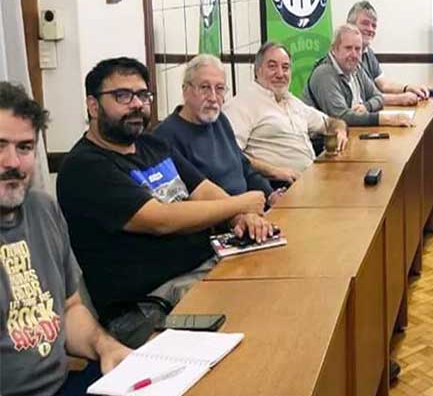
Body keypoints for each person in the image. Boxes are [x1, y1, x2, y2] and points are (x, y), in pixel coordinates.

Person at [57, 58, 273, 346]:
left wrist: (241, 218)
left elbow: (204, 190)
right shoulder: (85, 167)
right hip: (148, 305)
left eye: (142, 95)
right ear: (93, 106)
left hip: (206, 269)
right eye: (122, 96)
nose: (137, 104)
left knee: (280, 300)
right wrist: (241, 204)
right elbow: (160, 219)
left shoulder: (152, 144)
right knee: (255, 339)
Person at [0, 82, 132, 396]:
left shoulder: (43, 210)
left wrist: (105, 346)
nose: (12, 162)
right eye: (0, 146)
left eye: (24, 148)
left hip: (61, 392)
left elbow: (71, 308)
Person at [154, 55, 283, 206]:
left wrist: (270, 195)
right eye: (204, 87)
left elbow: (244, 168)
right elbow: (187, 202)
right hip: (222, 216)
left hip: (249, 209)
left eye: (220, 88)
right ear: (186, 90)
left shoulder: (220, 120)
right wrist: (240, 212)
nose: (213, 97)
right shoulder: (165, 137)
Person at [223, 42, 347, 183]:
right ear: (258, 70)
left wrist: (340, 130)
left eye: (285, 67)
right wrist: (273, 171)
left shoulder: (291, 101)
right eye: (272, 66)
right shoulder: (243, 103)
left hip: (311, 180)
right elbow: (230, 153)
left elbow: (330, 122)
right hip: (279, 186)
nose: (280, 74)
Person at [304, 25, 414, 128]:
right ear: (334, 49)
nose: (354, 54)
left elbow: (378, 97)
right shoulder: (324, 74)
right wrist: (386, 119)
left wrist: (367, 106)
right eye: (348, 48)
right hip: (321, 140)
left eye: (357, 49)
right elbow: (341, 117)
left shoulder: (356, 68)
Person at [348, 1, 429, 106]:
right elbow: (361, 98)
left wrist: (407, 88)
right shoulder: (347, 56)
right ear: (350, 25)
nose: (370, 29)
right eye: (365, 23)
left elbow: (383, 84)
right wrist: (399, 99)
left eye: (374, 25)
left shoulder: (368, 52)